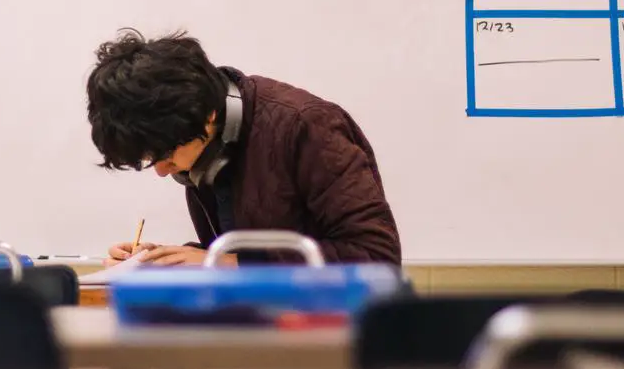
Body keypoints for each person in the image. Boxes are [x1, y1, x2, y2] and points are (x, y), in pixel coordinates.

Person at [85, 29, 401, 267]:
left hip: (330, 339)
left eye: (165, 155)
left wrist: (226, 265)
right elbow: (242, 251)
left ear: (207, 116)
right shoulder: (209, 146)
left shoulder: (306, 125)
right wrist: (162, 262)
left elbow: (376, 257)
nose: (161, 171)